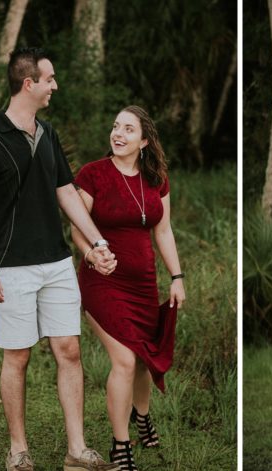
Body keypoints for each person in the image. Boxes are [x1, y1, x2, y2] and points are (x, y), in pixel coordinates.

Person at [0, 47, 120, 471]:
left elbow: (65, 191)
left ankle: (77, 451)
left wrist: (98, 242)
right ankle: (18, 450)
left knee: (69, 349)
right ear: (28, 84)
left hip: (56, 261)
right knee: (18, 356)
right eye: (49, 79)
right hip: (9, 265)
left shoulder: (48, 135)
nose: (55, 86)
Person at [70, 105, 185, 471]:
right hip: (102, 280)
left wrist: (177, 277)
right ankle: (122, 446)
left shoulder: (156, 179)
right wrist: (91, 255)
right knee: (125, 359)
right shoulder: (93, 175)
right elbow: (77, 226)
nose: (118, 134)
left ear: (144, 141)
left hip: (143, 282)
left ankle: (143, 415)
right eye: (116, 127)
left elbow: (163, 231)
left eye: (128, 129)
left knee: (143, 360)